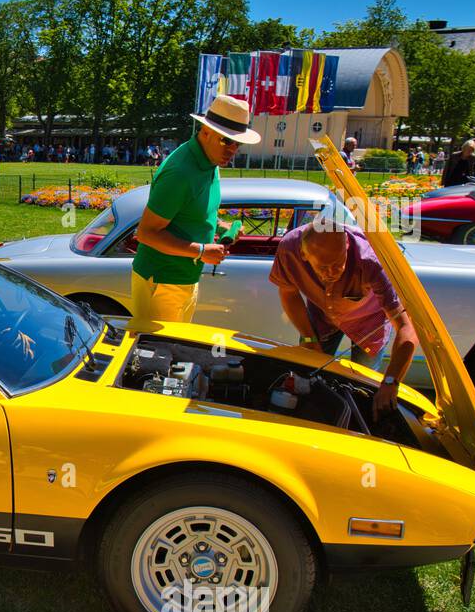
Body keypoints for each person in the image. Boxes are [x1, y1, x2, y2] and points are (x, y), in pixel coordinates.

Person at [129, 94, 260, 324]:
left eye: (237, 143)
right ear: (205, 131)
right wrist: (201, 251)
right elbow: (146, 233)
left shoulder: (210, 161)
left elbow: (191, 211)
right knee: (157, 355)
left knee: (176, 350)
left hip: (183, 279)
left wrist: (221, 225)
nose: (232, 149)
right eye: (226, 141)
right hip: (162, 281)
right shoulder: (180, 173)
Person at [269, 221, 418, 417]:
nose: (332, 273)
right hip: (322, 318)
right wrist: (308, 338)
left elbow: (407, 327)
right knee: (307, 378)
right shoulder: (289, 249)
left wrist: (391, 381)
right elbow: (288, 293)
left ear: (347, 244)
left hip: (369, 324)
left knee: (361, 386)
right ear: (303, 255)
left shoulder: (372, 259)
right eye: (323, 267)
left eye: (338, 264)